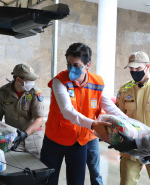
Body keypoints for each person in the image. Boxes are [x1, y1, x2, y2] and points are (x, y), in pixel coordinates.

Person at [40, 43, 128, 185]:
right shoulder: (60, 81)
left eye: (76, 65)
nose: (71, 69)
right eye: (68, 64)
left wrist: (128, 121)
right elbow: (67, 111)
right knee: (48, 180)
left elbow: (109, 106)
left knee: (77, 181)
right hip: (55, 140)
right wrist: (93, 124)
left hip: (79, 141)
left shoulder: (97, 83)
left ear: (88, 65)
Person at [115, 51, 150, 185]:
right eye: (131, 68)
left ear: (148, 66)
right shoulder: (125, 90)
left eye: (138, 68)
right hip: (130, 148)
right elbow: (118, 117)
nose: (134, 71)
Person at [0, 63, 46, 159]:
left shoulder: (35, 93)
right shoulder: (2, 93)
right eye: (29, 79)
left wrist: (25, 134)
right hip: (13, 140)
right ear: (18, 79)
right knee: (14, 168)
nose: (32, 82)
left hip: (34, 139)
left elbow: (39, 119)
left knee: (37, 169)